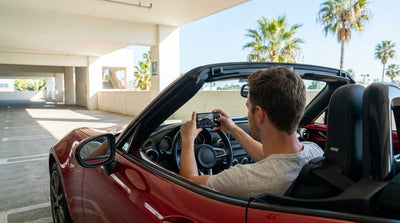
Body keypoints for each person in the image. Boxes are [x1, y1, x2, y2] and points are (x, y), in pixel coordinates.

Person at [179, 67, 323, 200]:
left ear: (259, 113)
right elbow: (275, 160)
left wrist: (187, 140)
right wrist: (233, 129)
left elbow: (189, 183)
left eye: (249, 108)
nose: (248, 114)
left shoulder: (247, 179)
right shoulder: (315, 152)